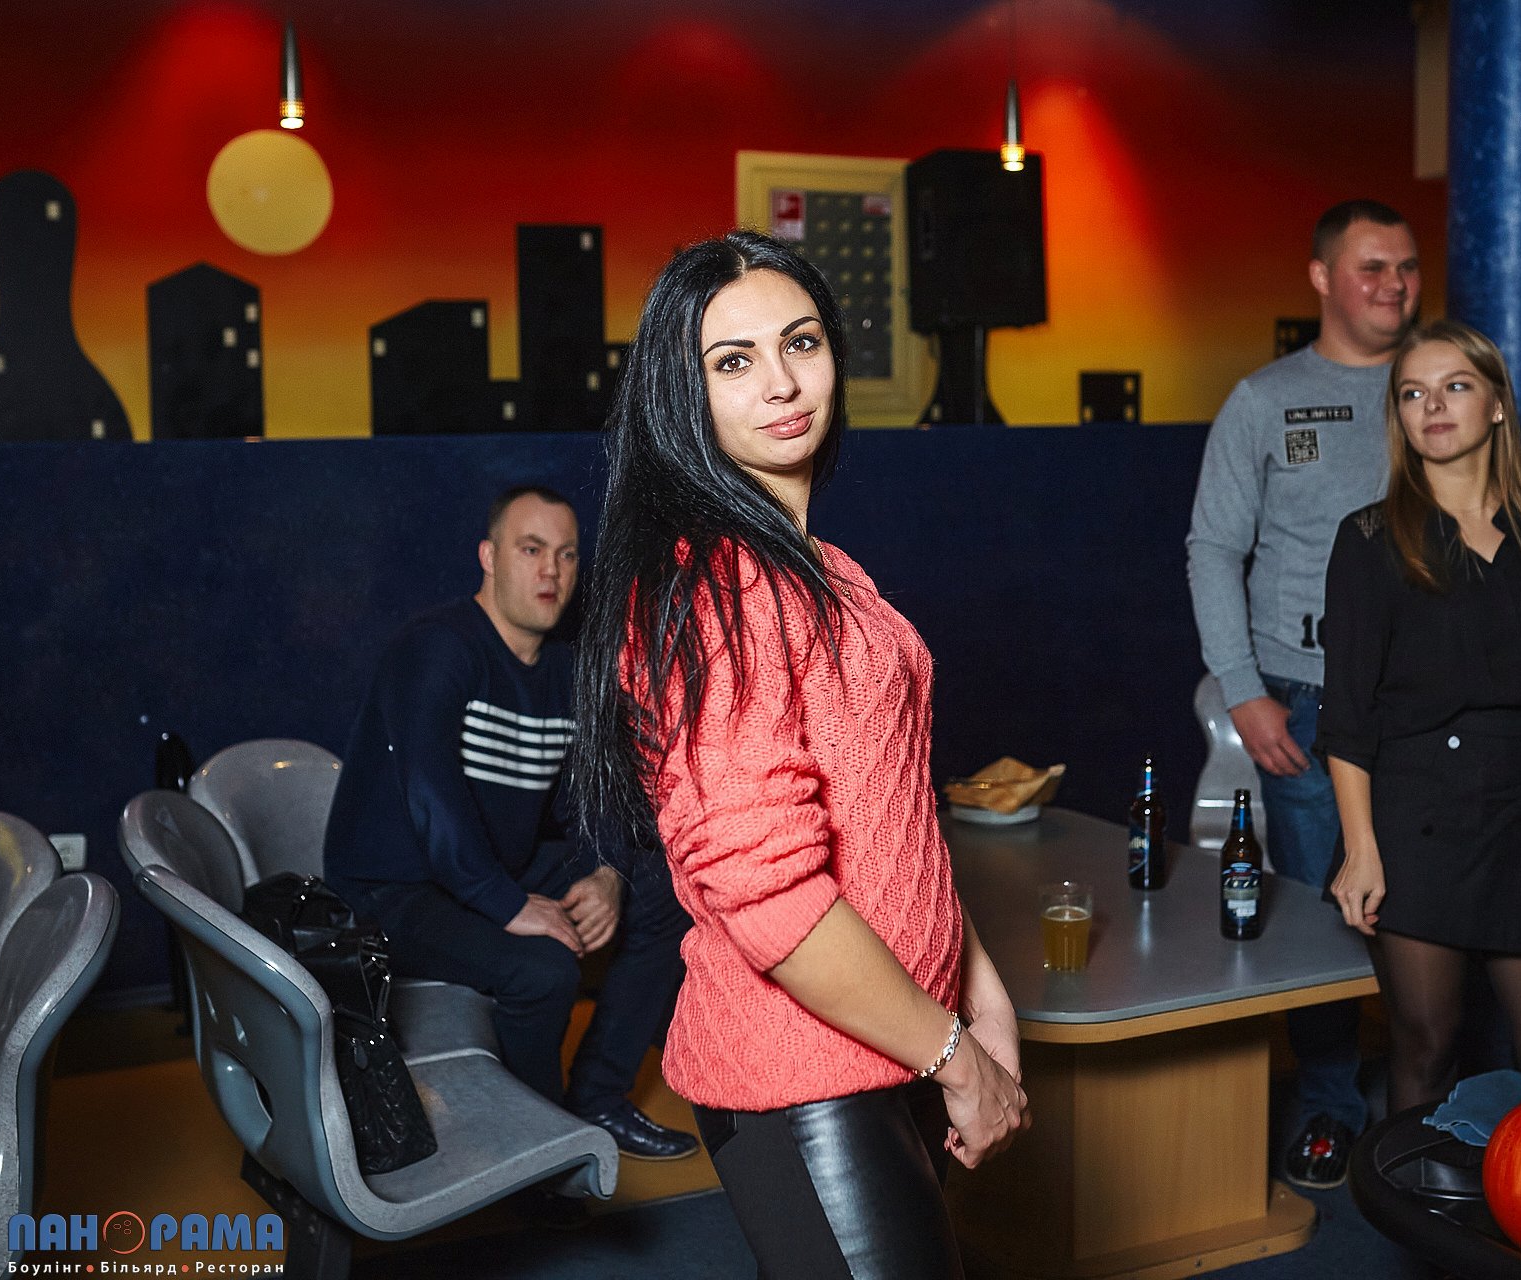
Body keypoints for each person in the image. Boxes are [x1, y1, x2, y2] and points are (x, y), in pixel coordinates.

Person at [569, 230, 1027, 1279]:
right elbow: (772, 896)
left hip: (894, 1037)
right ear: (680, 394)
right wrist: (956, 1057)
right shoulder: (710, 587)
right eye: (732, 360)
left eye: (802, 342)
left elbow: (894, 818)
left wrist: (981, 993)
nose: (780, 382)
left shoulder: (822, 567)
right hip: (806, 1073)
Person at [1314, 319, 1521, 1115]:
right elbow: (1348, 715)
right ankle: (1415, 1200)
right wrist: (1361, 850)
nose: (1432, 406)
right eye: (1413, 393)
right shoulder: (1369, 538)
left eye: (1455, 386)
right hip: (1416, 818)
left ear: (1496, 404)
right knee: (1427, 1049)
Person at [322, 485, 700, 1173]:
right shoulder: (436, 649)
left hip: (493, 864)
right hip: (392, 891)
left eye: (567, 554)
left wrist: (607, 874)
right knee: (543, 970)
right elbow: (429, 798)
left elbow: (589, 794)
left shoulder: (566, 668)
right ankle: (543, 1156)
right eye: (531, 550)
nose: (550, 570)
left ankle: (597, 1098)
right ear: (489, 557)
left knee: (666, 891)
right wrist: (508, 904)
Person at [1185, 199, 1421, 1188]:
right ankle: (1329, 1105)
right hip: (1305, 698)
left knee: (1437, 907)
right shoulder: (1265, 399)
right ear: (1322, 277)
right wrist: (1245, 692)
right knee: (1323, 914)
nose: (1394, 285)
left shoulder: (1438, 387)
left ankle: (1436, 1107)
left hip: (1426, 703)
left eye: (1407, 267)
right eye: (1372, 267)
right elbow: (1213, 548)